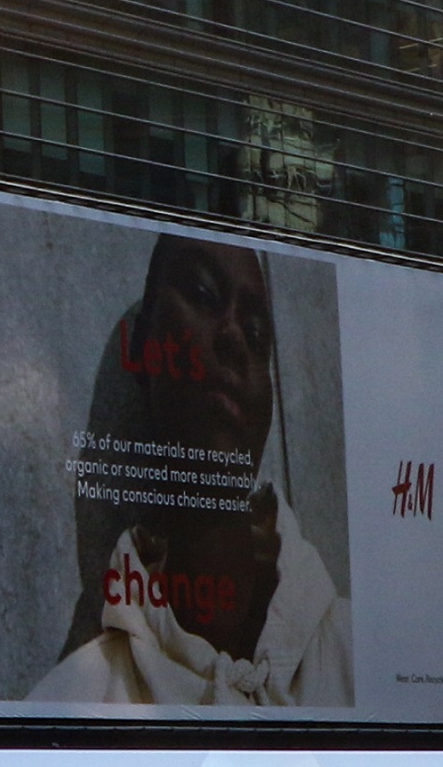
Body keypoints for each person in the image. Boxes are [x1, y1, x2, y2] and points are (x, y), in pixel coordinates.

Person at [29, 235, 351, 706]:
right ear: (141, 347)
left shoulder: (357, 657)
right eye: (202, 294)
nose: (235, 338)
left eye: (258, 336)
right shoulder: (70, 702)